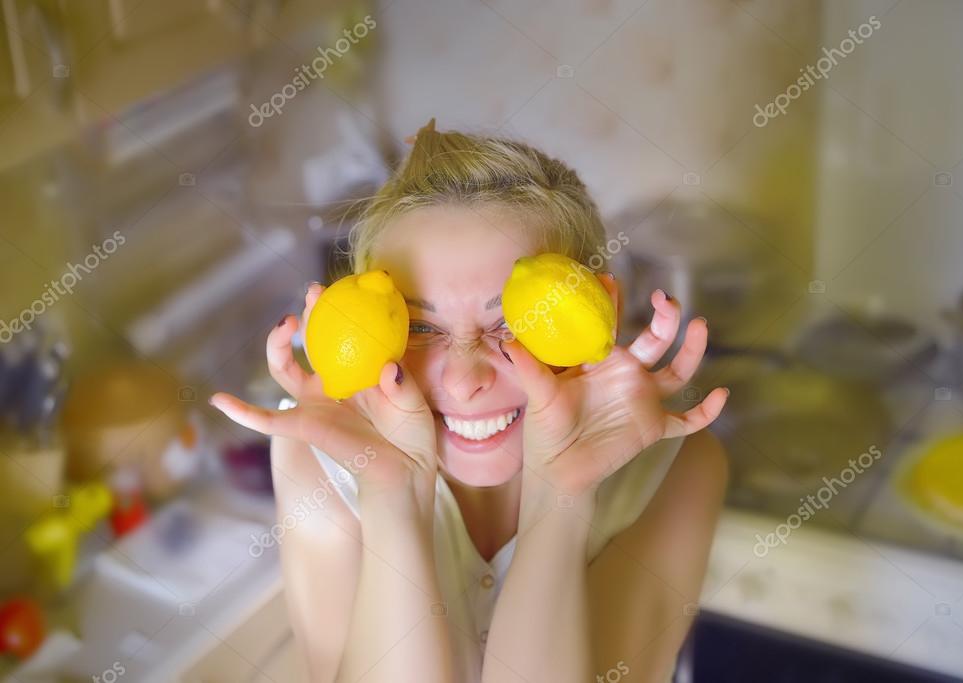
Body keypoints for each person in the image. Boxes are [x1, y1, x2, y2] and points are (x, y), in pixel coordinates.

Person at [210, 118, 729, 683]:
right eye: (419, 327)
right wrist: (392, 499)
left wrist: (562, 494)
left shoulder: (677, 468)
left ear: (596, 311)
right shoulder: (318, 455)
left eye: (514, 324)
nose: (464, 379)